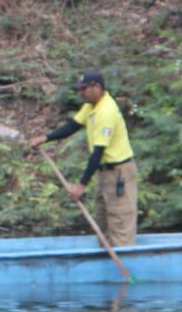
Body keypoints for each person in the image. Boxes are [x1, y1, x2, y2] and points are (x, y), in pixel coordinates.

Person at [28, 71, 137, 247]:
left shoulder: (106, 112)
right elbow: (73, 126)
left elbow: (98, 153)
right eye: (79, 89)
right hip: (105, 173)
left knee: (120, 222)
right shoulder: (91, 106)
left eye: (84, 89)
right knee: (103, 223)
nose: (81, 93)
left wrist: (81, 185)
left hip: (119, 174)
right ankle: (105, 259)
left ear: (97, 87)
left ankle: (124, 258)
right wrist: (46, 138)